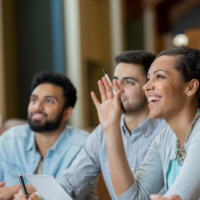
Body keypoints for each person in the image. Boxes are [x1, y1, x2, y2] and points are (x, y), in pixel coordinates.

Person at [15, 50, 168, 200]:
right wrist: (38, 197)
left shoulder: (168, 131)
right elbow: (70, 183)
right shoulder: (102, 133)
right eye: (114, 81)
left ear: (149, 86)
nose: (117, 89)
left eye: (129, 82)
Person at [90, 45, 200, 200]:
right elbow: (132, 198)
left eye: (159, 77)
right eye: (148, 79)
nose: (146, 87)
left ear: (191, 87)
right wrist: (111, 127)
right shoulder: (166, 138)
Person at [0, 72, 96, 200]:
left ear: (67, 113)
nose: (37, 106)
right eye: (34, 100)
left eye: (49, 101)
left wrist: (16, 189)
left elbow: (67, 195)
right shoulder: (9, 139)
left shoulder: (84, 145)